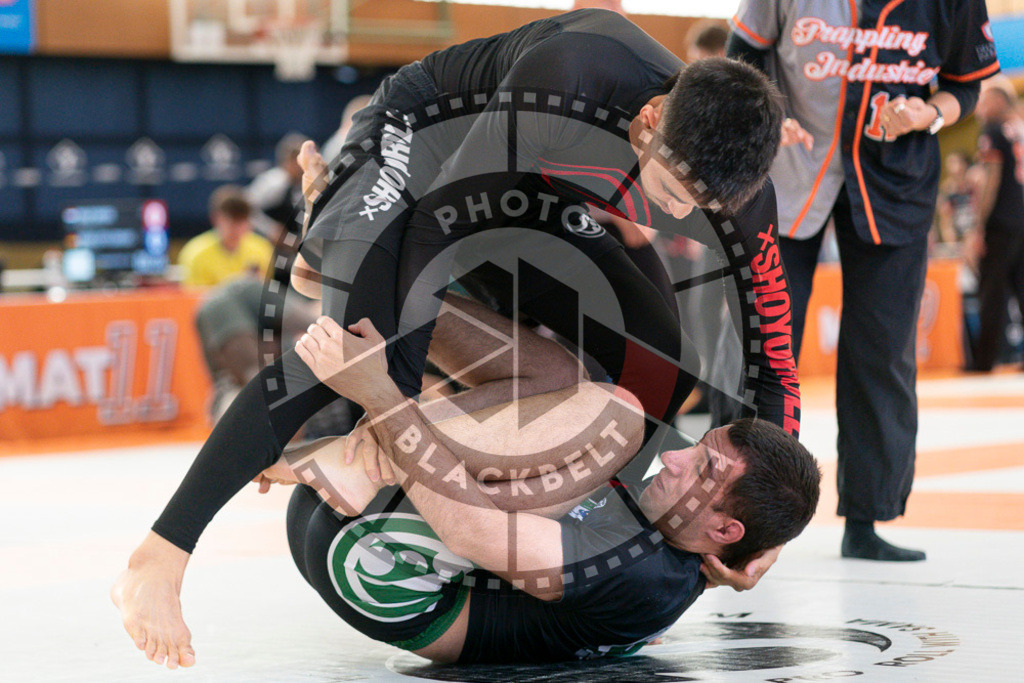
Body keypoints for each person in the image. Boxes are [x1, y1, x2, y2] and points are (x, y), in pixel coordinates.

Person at [143, 8, 801, 635]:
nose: (680, 217)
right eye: (671, 199)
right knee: (354, 349)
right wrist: (385, 405)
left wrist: (767, 524)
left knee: (661, 361)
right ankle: (162, 553)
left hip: (530, 189)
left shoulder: (744, 204)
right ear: (651, 120)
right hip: (422, 145)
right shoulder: (573, 71)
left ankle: (335, 251)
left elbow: (774, 360)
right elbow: (440, 223)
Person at [113, 292, 820, 668]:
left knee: (613, 417)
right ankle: (385, 300)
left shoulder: (644, 575)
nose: (677, 458)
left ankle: (367, 445)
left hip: (373, 561)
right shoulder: (701, 527)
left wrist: (383, 401)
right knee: (591, 399)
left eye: (701, 468)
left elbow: (474, 531)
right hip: (384, 514)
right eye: (697, 449)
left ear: (724, 528)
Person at [728, 0, 999, 562]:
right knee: (761, 346)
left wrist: (931, 114)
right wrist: (768, 116)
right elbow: (743, 54)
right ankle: (738, 511)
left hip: (896, 184)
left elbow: (965, 85)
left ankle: (866, 519)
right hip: (790, 172)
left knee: (882, 349)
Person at [969, 76, 1024, 372]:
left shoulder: (992, 130)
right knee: (1021, 287)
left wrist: (978, 225)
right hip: (1021, 218)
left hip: (1000, 221)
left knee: (991, 290)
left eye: (985, 97)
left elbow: (991, 180)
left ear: (999, 100)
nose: (979, 104)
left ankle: (985, 361)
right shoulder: (1018, 129)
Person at [178, 186, 275, 287]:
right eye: (231, 222)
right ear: (215, 219)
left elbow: (262, 294)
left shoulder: (262, 249)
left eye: (242, 222)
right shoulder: (195, 253)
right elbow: (194, 299)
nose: (237, 229)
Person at [246, 133, 307, 243]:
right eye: (295, 161)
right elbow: (245, 210)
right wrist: (270, 229)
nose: (299, 167)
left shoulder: (309, 184)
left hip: (294, 244)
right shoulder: (272, 182)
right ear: (285, 161)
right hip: (266, 244)